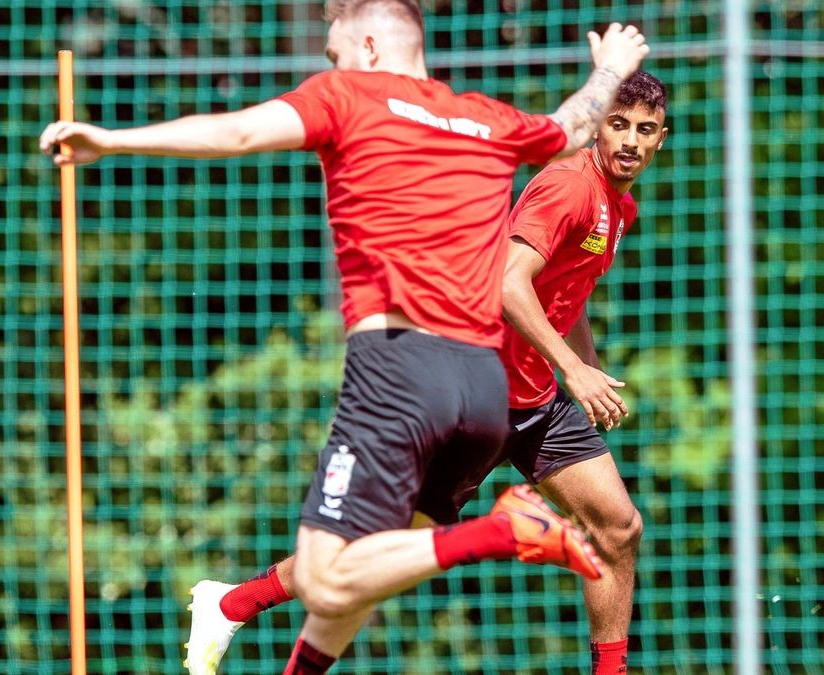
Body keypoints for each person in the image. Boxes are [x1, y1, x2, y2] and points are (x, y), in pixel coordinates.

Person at [40, 1, 650, 672]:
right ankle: (245, 613)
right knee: (365, 563)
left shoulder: (351, 96)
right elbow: (570, 126)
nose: (329, 65)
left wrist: (115, 141)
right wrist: (610, 69)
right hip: (482, 383)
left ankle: (501, 530)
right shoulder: (484, 117)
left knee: (335, 573)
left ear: (365, 45)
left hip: (399, 372)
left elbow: (240, 133)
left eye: (332, 53)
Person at [185, 69, 668, 675]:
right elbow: (506, 284)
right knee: (374, 559)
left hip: (536, 401)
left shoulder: (619, 206)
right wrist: (574, 369)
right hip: (478, 396)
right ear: (597, 126)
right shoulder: (570, 187)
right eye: (617, 124)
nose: (628, 139)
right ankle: (232, 602)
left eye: (643, 130)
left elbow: (564, 293)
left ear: (660, 139)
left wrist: (587, 368)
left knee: (619, 528)